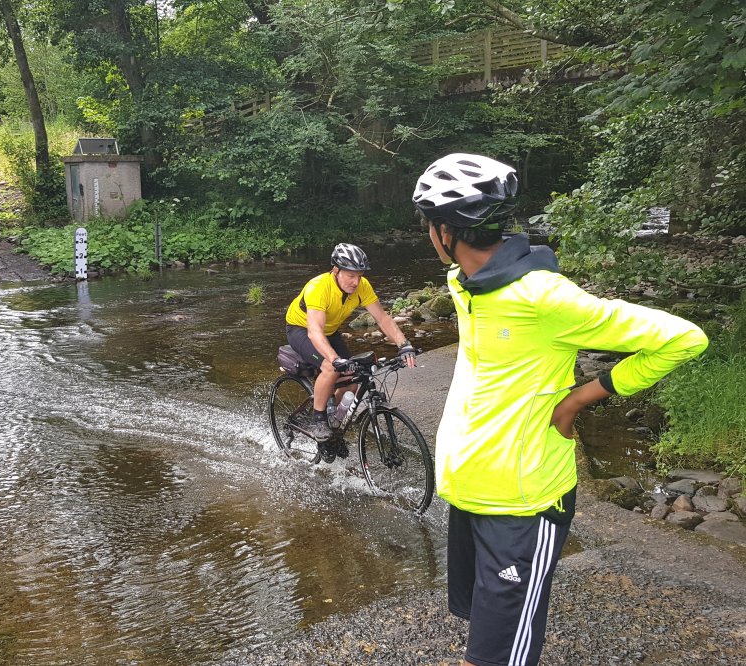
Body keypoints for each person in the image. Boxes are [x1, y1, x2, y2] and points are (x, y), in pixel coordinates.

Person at [412, 153, 709, 666]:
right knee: (483, 627)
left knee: (504, 654)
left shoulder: (544, 297)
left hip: (523, 504)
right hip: (466, 491)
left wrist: (581, 397)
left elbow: (684, 338)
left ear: (443, 231)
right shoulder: (464, 285)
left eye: (427, 226)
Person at [284, 243, 417, 449]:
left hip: (329, 330)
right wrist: (334, 359)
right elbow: (315, 331)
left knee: (352, 381)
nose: (356, 282)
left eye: (360, 275)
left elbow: (382, 318)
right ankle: (318, 420)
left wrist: (404, 344)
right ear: (336, 270)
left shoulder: (362, 286)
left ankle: (334, 421)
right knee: (330, 367)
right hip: (302, 329)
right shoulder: (318, 287)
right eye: (351, 276)